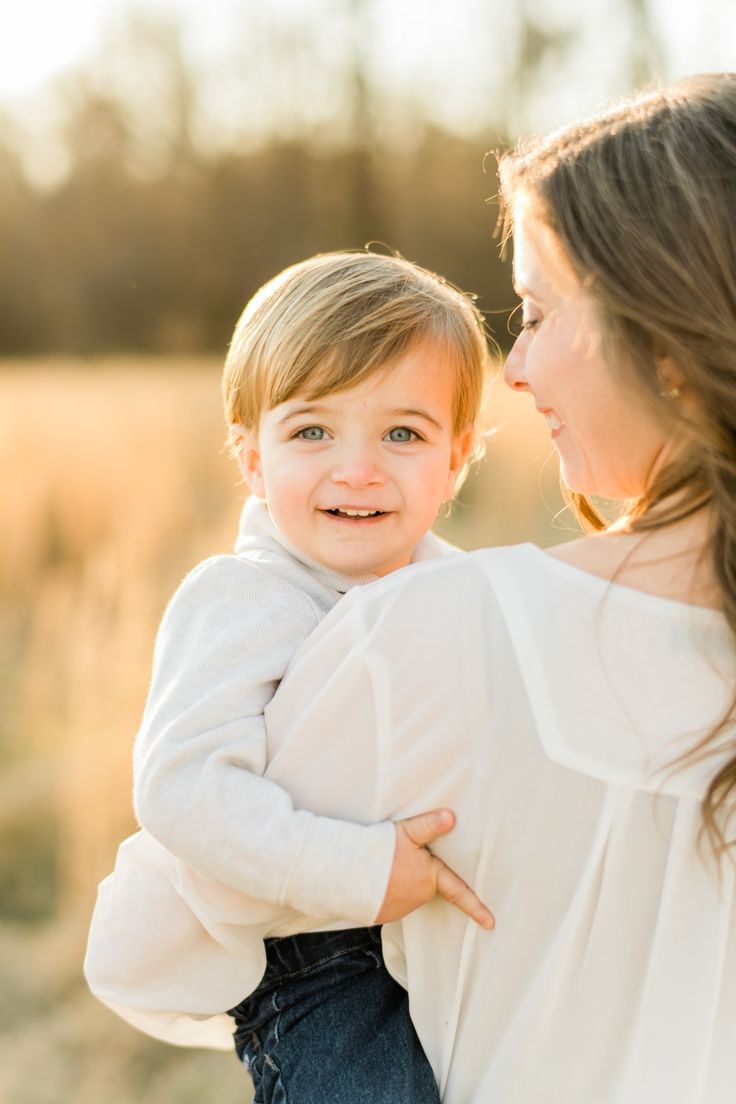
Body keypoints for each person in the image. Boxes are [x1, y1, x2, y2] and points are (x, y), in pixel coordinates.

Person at [229, 75, 735, 1102]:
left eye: (537, 313)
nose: (514, 369)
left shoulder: (427, 632)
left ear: (671, 348)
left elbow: (204, 918)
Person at [84, 250, 494, 1102]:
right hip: (317, 963)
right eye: (313, 430)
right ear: (251, 457)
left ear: (455, 459)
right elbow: (185, 786)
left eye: (403, 434)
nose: (358, 468)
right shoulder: (250, 598)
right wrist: (359, 871)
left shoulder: (464, 597)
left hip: (444, 936)